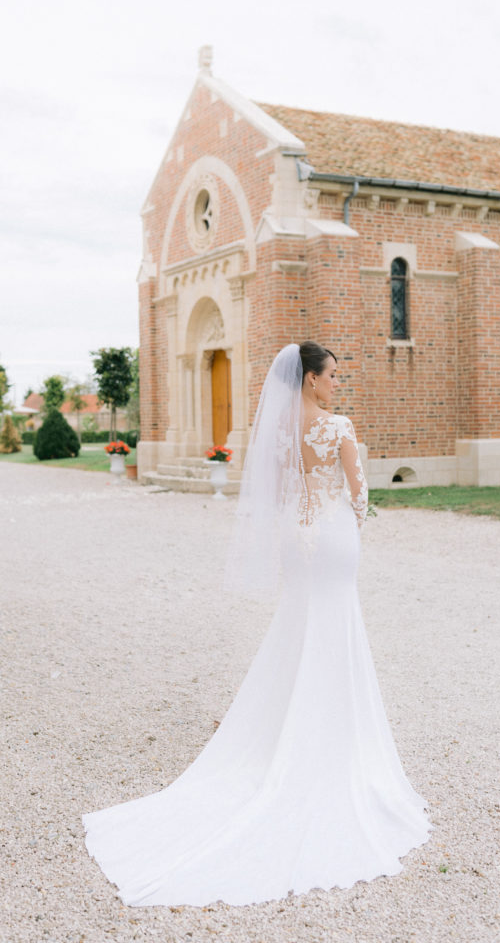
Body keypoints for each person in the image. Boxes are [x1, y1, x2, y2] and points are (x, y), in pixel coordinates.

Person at [83, 341, 431, 906]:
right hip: (335, 536)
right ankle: (329, 745)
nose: (336, 384)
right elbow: (360, 493)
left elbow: (274, 494)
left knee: (298, 626)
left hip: (296, 539)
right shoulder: (337, 425)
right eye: (332, 375)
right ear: (312, 379)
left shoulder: (276, 431)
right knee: (335, 626)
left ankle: (282, 733)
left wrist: (305, 520)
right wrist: (352, 521)